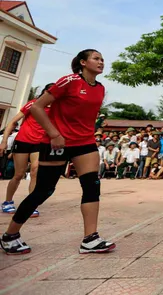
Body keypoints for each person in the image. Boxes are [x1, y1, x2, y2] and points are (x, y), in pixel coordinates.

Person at [1, 50, 115, 255]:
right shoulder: (68, 81)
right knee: (43, 190)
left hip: (85, 143)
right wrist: (54, 134)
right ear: (82, 62)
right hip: (57, 143)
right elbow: (36, 107)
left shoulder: (100, 88)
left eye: (102, 59)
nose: (101, 62)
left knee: (92, 187)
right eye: (96, 58)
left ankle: (90, 238)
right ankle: (10, 235)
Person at [1, 83, 54, 217]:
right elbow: (13, 122)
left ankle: (31, 204)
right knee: (18, 174)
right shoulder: (33, 104)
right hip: (23, 141)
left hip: (39, 143)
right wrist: (4, 141)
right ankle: (7, 201)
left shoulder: (56, 109)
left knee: (35, 171)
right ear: (45, 92)